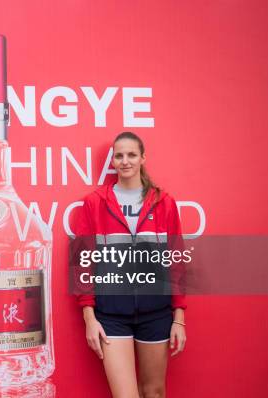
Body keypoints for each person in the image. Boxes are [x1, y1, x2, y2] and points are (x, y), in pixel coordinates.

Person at [73, 131, 187, 398]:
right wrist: (89, 318)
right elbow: (82, 263)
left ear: (142, 158)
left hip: (156, 313)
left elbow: (177, 262)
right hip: (111, 315)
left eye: (131, 155)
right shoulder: (94, 203)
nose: (125, 161)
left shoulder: (164, 202)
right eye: (119, 155)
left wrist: (179, 319)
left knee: (154, 393)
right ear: (112, 161)